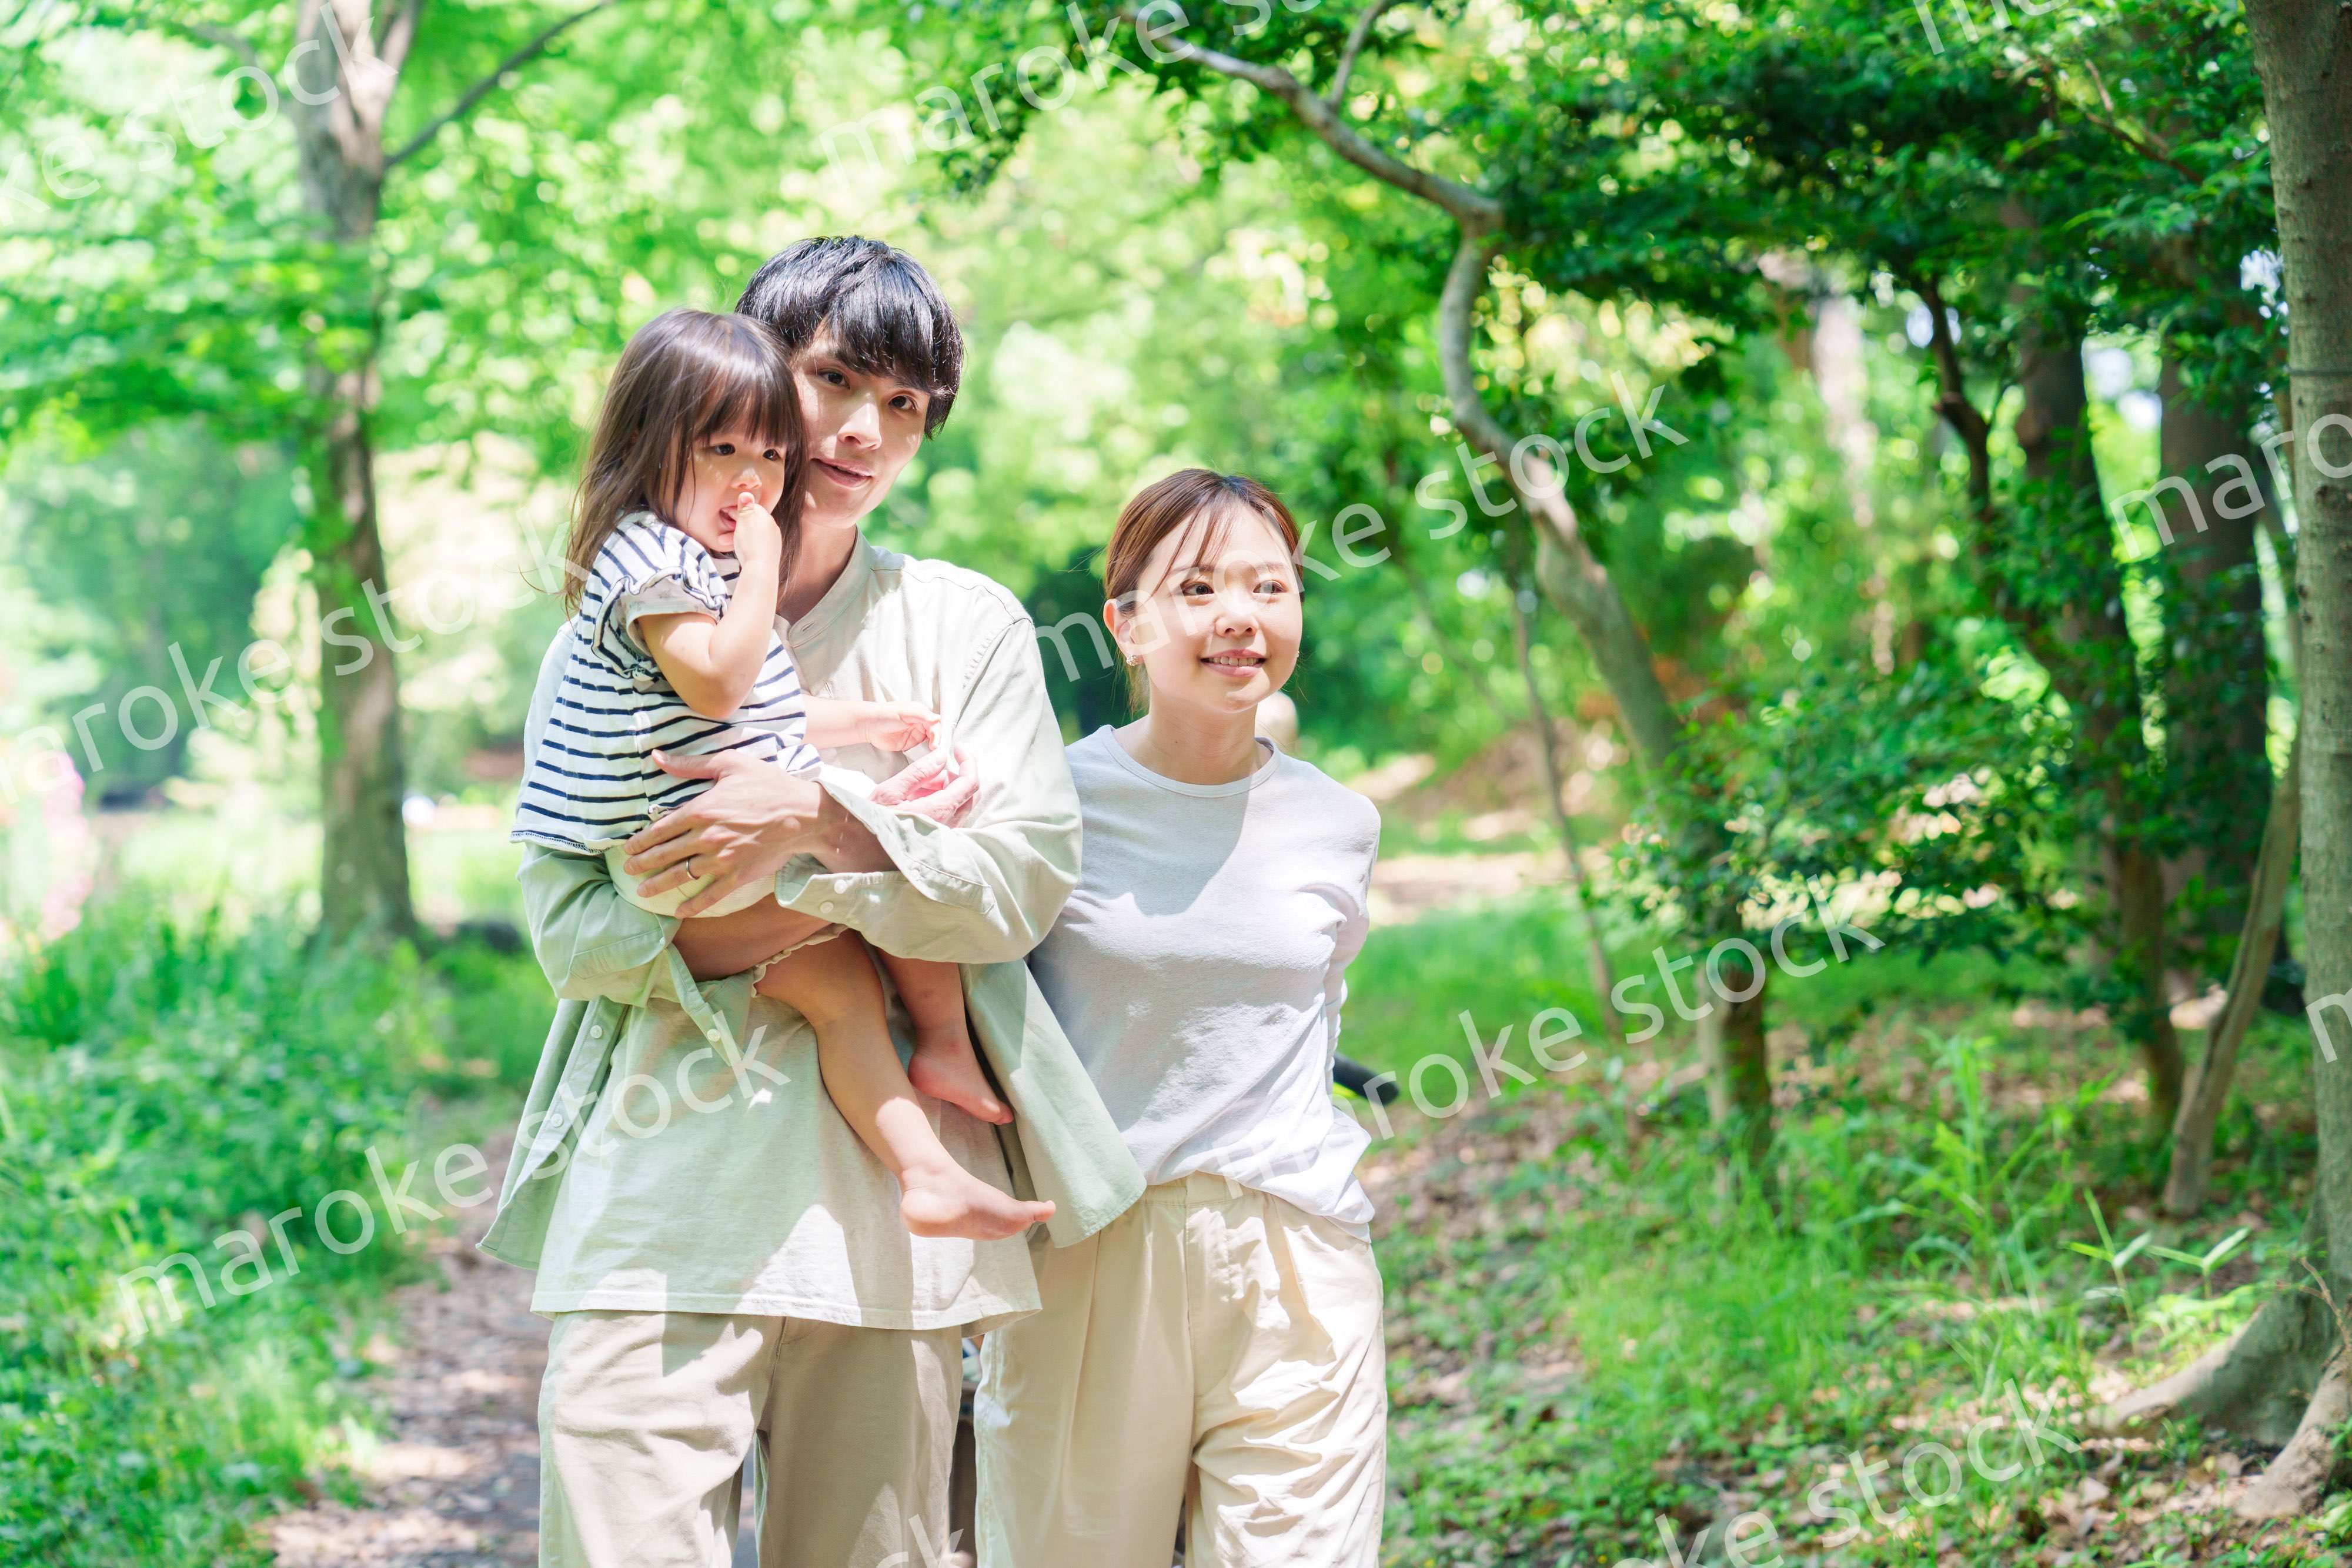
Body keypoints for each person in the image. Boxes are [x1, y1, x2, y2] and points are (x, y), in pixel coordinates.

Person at [482, 238, 1142, 1568]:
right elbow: (566, 923)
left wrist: (812, 816)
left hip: (886, 1243)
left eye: (904, 404)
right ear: (747, 376)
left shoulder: (965, 626)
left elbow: (1017, 883)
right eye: (835, 378)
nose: (862, 429)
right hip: (656, 1216)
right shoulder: (614, 620)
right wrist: (864, 881)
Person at [512, 304, 1043, 1241]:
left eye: (766, 458)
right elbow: (721, 688)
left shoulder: (961, 621)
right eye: (832, 381)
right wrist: (861, 821)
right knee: (891, 870)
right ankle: (950, 1043)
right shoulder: (657, 563)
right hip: (673, 861)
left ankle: (926, 1166)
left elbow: (753, 705)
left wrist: (856, 731)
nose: (752, 483)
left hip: (692, 868)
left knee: (843, 990)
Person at [975, 470, 1390, 1566]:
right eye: (1198, 588)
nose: (1240, 617)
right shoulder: (1046, 804)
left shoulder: (1340, 825)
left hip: (1297, 1253)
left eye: (1271, 585)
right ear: (1127, 623)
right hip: (1095, 1250)